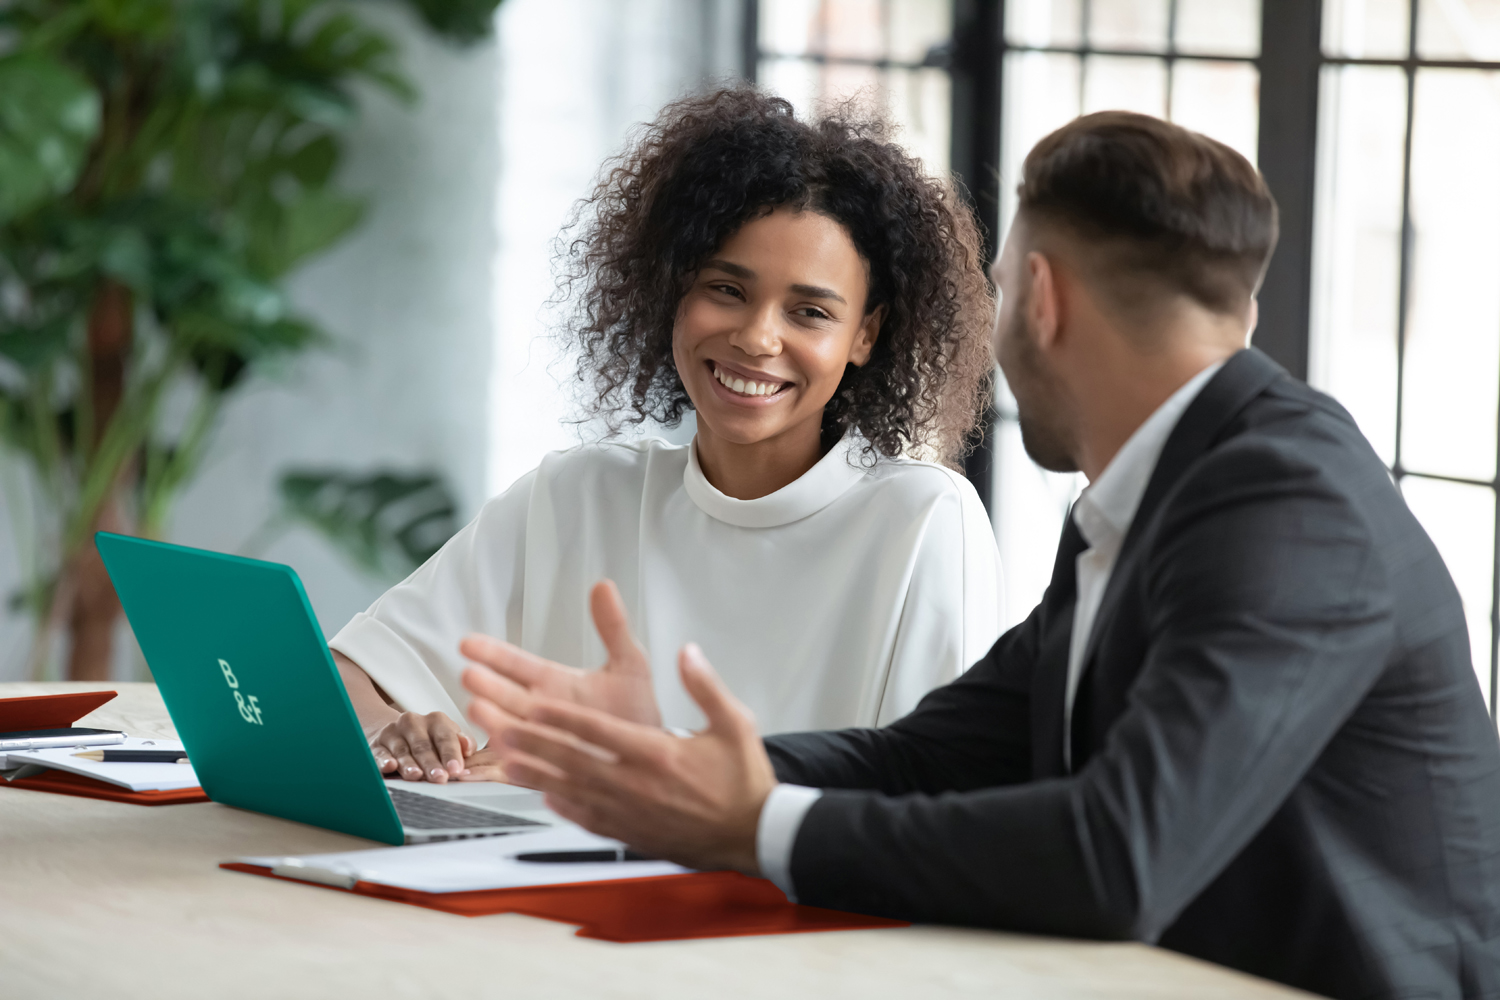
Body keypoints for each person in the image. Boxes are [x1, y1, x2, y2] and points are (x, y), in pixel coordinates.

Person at [458, 111, 1500, 1000]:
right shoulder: (1145, 499)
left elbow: (1115, 854)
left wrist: (757, 825)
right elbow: (927, 756)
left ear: (1040, 300)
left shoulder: (1287, 505)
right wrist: (681, 771)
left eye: (998, 290)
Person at [329, 88, 1002, 786]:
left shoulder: (923, 523)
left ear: (866, 333)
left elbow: (934, 807)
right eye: (727, 290)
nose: (756, 337)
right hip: (536, 886)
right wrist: (391, 730)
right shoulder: (580, 494)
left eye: (808, 311)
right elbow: (340, 673)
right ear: (674, 289)